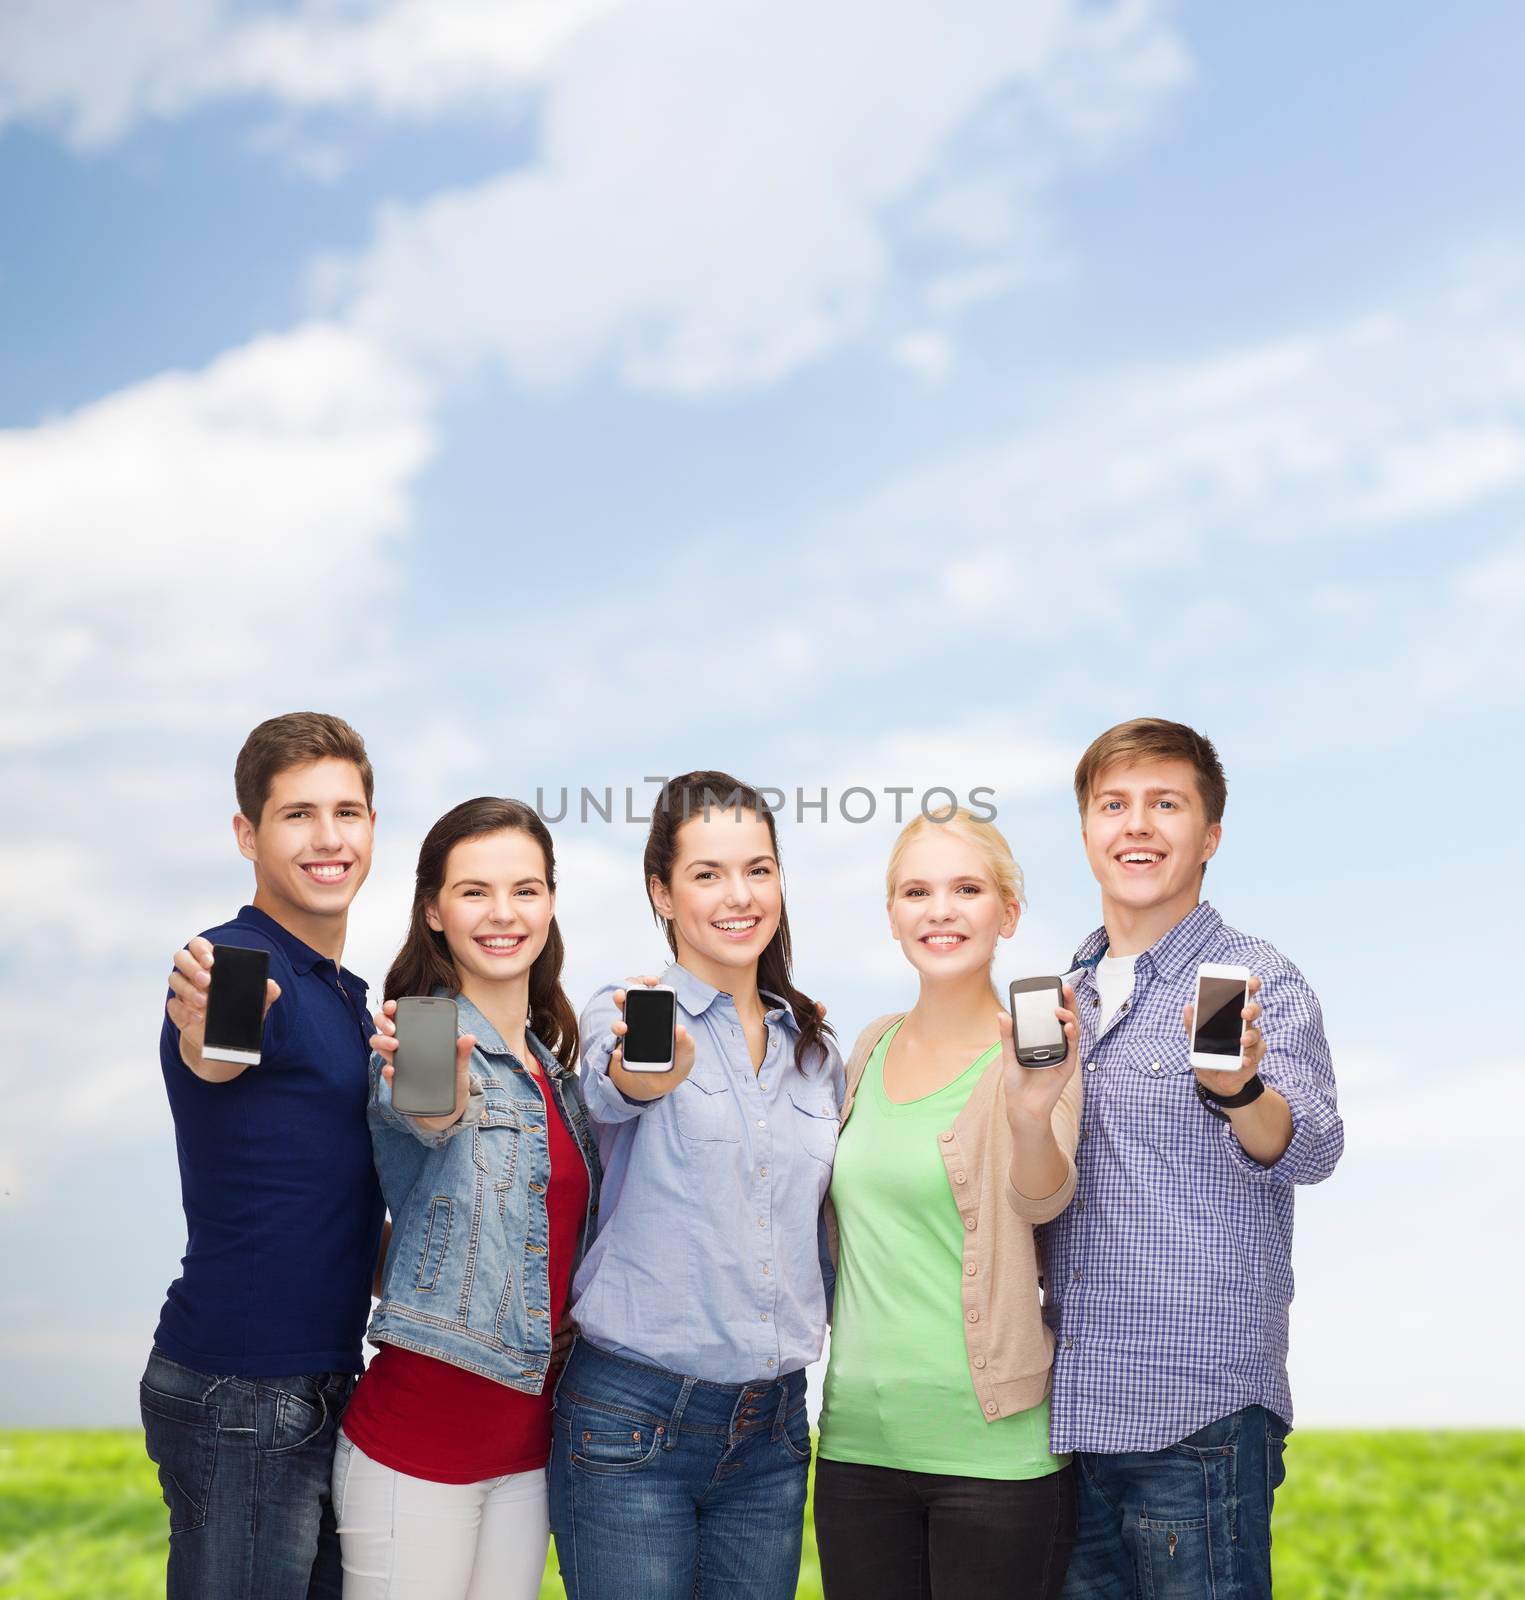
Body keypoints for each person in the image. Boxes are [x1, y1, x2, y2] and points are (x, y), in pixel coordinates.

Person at [1044, 717, 1344, 1600]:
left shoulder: (1254, 978)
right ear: (1087, 831)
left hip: (1196, 1411)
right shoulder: (1063, 994)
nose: (1136, 825)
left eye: (1164, 804)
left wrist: (1239, 1089)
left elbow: (1313, 1144)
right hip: (1067, 1413)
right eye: (1114, 805)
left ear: (1208, 835)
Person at [548, 771, 844, 1600]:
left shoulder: (815, 1052)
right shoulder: (626, 1010)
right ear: (662, 893)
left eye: (757, 869)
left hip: (774, 1431)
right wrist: (652, 1073)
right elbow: (614, 1084)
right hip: (631, 1422)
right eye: (706, 874)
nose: (737, 895)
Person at [332, 797, 601, 1599]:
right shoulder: (420, 1033)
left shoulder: (556, 1073)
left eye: (525, 889)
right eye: (474, 891)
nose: (502, 913)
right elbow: (425, 1110)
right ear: (433, 910)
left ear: (550, 902)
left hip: (525, 1449)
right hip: (419, 1444)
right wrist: (437, 1097)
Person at [143, 712, 384, 1599]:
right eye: (298, 815)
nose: (329, 839)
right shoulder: (239, 960)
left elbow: (340, 1199)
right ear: (248, 834)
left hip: (319, 1384)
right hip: (241, 1392)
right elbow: (218, 1048)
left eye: (349, 813)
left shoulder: (351, 999)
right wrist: (209, 1031)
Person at [815, 809, 1081, 1599]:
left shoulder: (1041, 1056)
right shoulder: (868, 1045)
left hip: (993, 1458)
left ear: (1007, 913)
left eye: (966, 889)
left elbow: (1045, 1201)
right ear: (892, 915)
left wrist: (1030, 1111)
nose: (940, 910)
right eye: (916, 891)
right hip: (858, 1447)